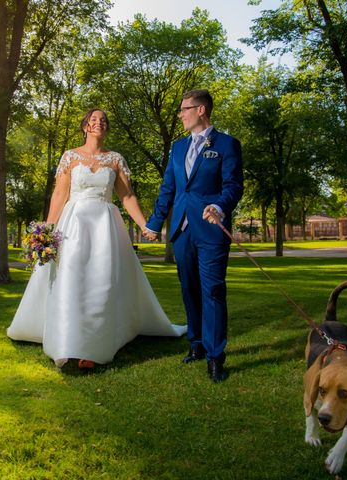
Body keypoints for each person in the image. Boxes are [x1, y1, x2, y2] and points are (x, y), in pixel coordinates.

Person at [7, 108, 186, 368]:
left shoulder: (115, 159)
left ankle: (93, 349)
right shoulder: (70, 157)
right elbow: (59, 195)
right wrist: (46, 230)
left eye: (103, 120)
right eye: (93, 120)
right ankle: (66, 343)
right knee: (70, 279)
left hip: (105, 226)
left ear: (106, 128)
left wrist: (146, 224)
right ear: (85, 126)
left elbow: (127, 197)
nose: (98, 123)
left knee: (100, 282)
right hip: (73, 224)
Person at [144, 89, 243, 383]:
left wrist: (219, 205)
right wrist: (154, 223)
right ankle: (196, 345)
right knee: (189, 289)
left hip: (211, 228)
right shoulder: (177, 148)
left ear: (201, 110)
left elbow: (234, 185)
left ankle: (215, 357)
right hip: (182, 231)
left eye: (184, 109)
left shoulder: (226, 144)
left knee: (212, 291)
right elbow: (168, 189)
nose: (180, 115)